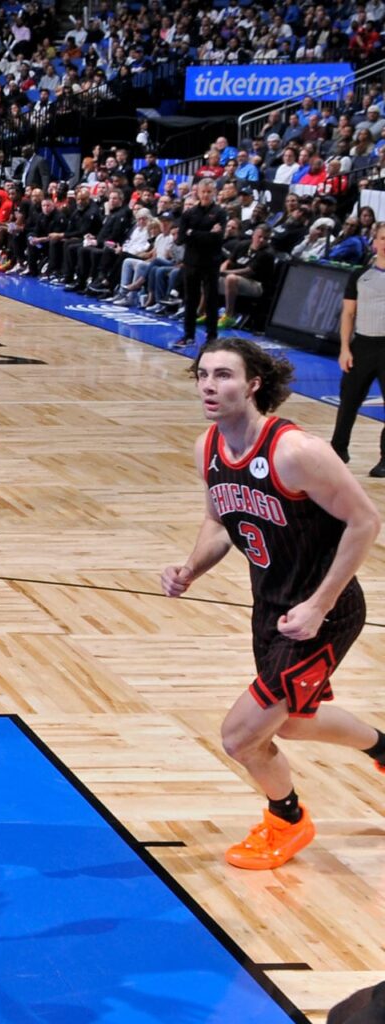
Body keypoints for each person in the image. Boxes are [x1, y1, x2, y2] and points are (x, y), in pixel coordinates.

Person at [163, 338, 385, 870]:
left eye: (224, 376)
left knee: (240, 737)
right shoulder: (208, 448)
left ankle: (286, 819)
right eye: (203, 375)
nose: (210, 386)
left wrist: (318, 606)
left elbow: (365, 521)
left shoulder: (296, 451)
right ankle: (382, 748)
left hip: (322, 611)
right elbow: (220, 519)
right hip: (271, 607)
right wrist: (191, 567)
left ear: (254, 384)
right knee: (289, 723)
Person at [332, 222, 385, 475]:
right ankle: (338, 450)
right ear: (374, 242)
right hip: (362, 344)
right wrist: (344, 348)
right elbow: (348, 313)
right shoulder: (360, 275)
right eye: (383, 238)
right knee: (349, 401)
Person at [175, 179, 227, 349]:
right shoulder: (189, 213)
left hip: (211, 262)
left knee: (211, 300)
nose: (205, 195)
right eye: (203, 192)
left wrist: (193, 233)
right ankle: (188, 335)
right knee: (190, 300)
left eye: (209, 192)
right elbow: (181, 238)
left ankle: (212, 337)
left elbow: (217, 239)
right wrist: (206, 233)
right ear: (197, 192)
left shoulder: (220, 212)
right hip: (191, 262)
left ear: (214, 193)